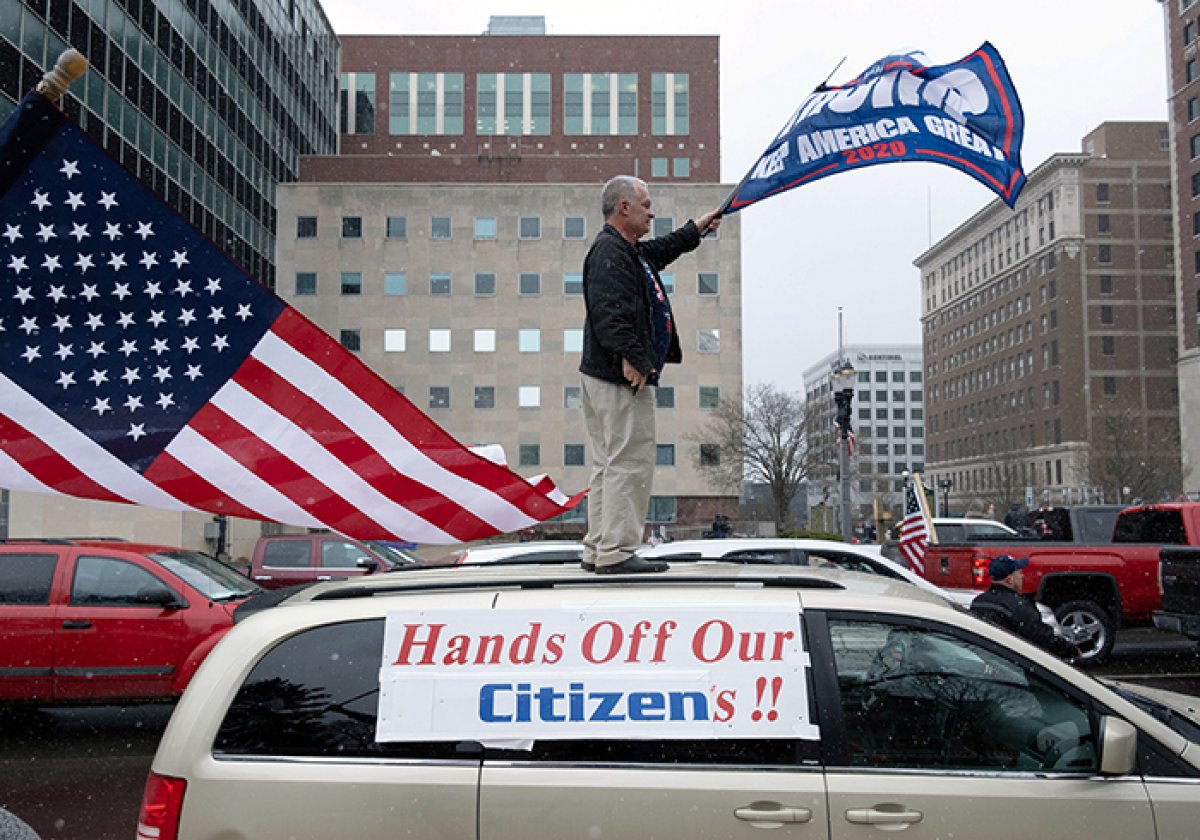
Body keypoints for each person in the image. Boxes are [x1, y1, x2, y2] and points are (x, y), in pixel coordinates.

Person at [578, 175, 722, 574]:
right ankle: (618, 551)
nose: (652, 212)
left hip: (604, 375)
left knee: (609, 462)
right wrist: (633, 358)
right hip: (619, 377)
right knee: (629, 461)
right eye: (646, 204)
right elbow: (609, 314)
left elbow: (660, 251)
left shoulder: (624, 252)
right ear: (624, 208)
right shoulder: (611, 253)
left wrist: (696, 230)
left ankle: (600, 548)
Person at [970, 554, 1080, 659]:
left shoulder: (978, 602)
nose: (1022, 576)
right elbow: (1042, 638)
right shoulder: (1018, 606)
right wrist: (1071, 650)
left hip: (986, 658)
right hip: (1012, 664)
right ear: (1010, 580)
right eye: (1019, 573)